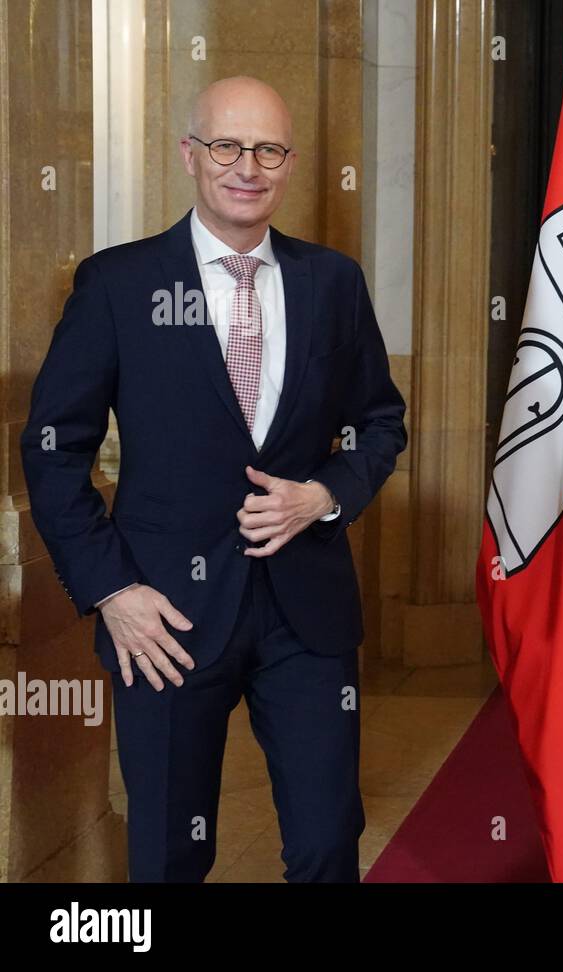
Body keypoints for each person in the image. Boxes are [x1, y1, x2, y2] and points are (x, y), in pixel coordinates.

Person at [20, 76, 407, 882]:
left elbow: (379, 422)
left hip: (307, 615)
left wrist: (326, 494)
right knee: (168, 855)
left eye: (268, 149)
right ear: (191, 155)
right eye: (227, 146)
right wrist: (111, 590)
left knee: (328, 843)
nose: (248, 167)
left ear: (290, 164)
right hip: (165, 618)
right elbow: (53, 448)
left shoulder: (332, 283)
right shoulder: (118, 285)